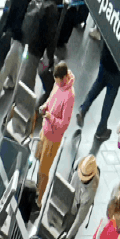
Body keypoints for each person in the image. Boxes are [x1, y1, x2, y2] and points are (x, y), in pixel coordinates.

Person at [36, 60, 76, 200]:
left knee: (44, 169)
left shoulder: (70, 96)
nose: (57, 84)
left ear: (64, 78)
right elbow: (51, 99)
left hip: (53, 138)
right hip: (44, 129)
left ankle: (39, 199)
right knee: (38, 159)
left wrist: (50, 117)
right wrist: (45, 106)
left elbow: (64, 124)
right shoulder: (57, 84)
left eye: (58, 81)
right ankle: (35, 189)